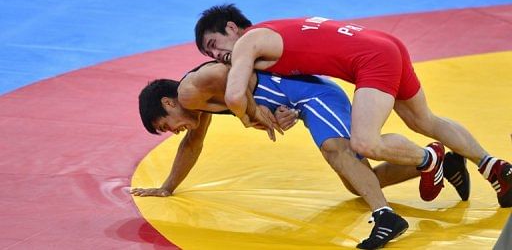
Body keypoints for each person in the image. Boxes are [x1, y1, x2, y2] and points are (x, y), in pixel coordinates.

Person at [194, 4, 512, 208]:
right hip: (384, 44)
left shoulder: (247, 43)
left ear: (232, 28)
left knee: (365, 142)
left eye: (213, 44)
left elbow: (235, 96)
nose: (217, 55)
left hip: (370, 60)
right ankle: (493, 166)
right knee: (423, 119)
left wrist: (250, 118)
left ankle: (429, 158)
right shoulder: (270, 31)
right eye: (209, 54)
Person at [132, 62, 469, 249]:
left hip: (311, 94)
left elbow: (227, 73)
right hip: (304, 101)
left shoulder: (194, 87)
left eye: (166, 124)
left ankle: (387, 215)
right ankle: (438, 159)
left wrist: (256, 109)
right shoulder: (198, 104)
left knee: (339, 150)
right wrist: (167, 187)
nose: (174, 130)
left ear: (168, 102)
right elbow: (192, 145)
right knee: (358, 181)